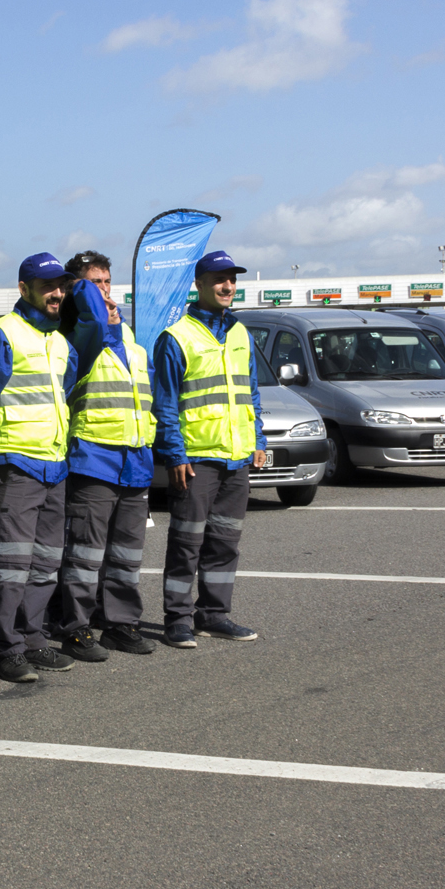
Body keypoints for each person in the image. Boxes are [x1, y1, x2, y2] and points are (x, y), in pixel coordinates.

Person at [0, 252, 81, 683]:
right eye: (48, 285)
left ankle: (32, 638)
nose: (56, 293)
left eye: (61, 286)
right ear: (23, 288)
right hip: (14, 463)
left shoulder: (61, 341)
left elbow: (63, 396)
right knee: (12, 564)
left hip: (54, 464)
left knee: (46, 562)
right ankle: (7, 648)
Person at [153, 250, 265, 646]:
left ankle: (214, 614)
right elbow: (164, 404)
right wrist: (176, 454)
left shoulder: (240, 333)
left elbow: (250, 393)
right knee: (187, 543)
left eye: (232, 279)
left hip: (236, 458)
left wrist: (258, 440)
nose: (227, 286)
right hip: (197, 459)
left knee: (225, 543)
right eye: (219, 279)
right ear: (198, 285)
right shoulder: (176, 337)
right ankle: (178, 620)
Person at [55, 250, 159, 662]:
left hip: (135, 462)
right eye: (95, 283)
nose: (105, 291)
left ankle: (120, 624)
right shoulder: (81, 336)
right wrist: (85, 295)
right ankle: (76, 627)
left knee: (127, 554)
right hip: (94, 460)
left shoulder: (131, 342)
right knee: (85, 553)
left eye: (107, 282)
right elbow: (91, 316)